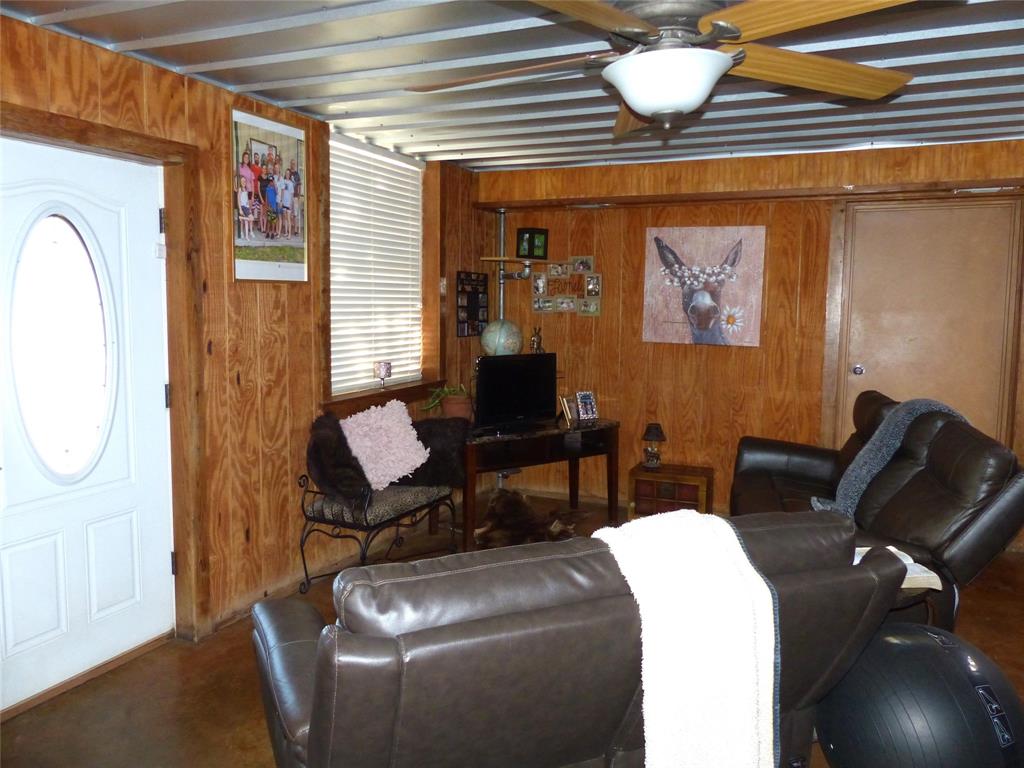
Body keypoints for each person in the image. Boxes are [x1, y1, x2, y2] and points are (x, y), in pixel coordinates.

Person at [236, 175, 254, 240]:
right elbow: (238, 200)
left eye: (244, 181)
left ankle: (247, 236)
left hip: (246, 207)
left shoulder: (246, 189)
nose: (243, 182)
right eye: (242, 181)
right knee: (250, 219)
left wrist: (249, 207)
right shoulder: (240, 189)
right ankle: (241, 232)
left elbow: (246, 199)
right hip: (243, 207)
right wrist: (240, 209)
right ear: (240, 182)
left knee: (247, 220)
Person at [279, 170, 295, 239]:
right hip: (284, 202)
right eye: (286, 173)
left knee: (288, 219)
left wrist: (291, 204)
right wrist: (281, 200)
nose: (287, 174)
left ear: (289, 174)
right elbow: (282, 191)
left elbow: (292, 194)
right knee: (285, 218)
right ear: (285, 174)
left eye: (288, 173)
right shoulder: (283, 181)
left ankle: (289, 234)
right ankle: (285, 232)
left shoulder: (291, 183)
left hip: (288, 203)